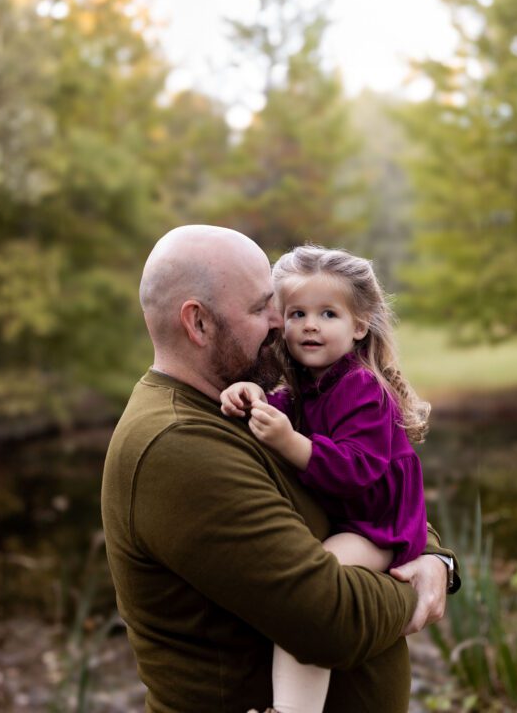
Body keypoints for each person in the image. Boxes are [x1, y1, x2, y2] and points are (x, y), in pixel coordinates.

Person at [101, 225, 457, 713]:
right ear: (198, 324)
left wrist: (437, 558)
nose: (281, 323)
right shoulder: (179, 445)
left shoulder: (252, 408)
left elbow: (369, 489)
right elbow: (328, 621)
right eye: (260, 308)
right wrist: (414, 585)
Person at [221, 244, 431, 713]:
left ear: (359, 326)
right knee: (308, 592)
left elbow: (358, 468)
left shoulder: (359, 385)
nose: (310, 324)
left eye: (328, 313)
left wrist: (289, 442)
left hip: (376, 525)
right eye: (297, 312)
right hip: (353, 518)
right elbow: (279, 411)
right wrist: (249, 394)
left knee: (312, 596)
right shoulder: (305, 381)